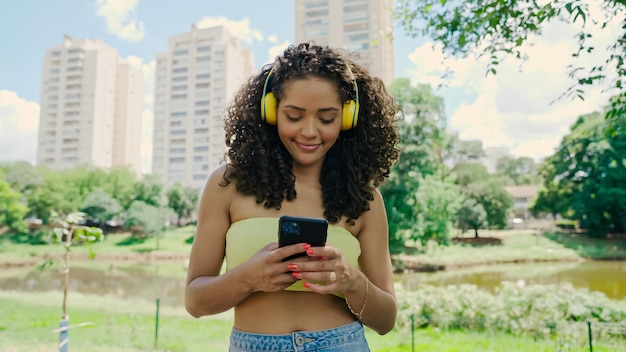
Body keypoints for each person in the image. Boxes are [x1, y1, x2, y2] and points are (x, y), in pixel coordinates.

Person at [185, 42, 400, 351]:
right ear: (270, 112)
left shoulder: (365, 199)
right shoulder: (228, 184)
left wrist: (353, 282)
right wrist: (248, 278)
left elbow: (386, 319)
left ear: (348, 117)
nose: (310, 131)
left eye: (326, 118)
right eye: (294, 116)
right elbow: (195, 302)